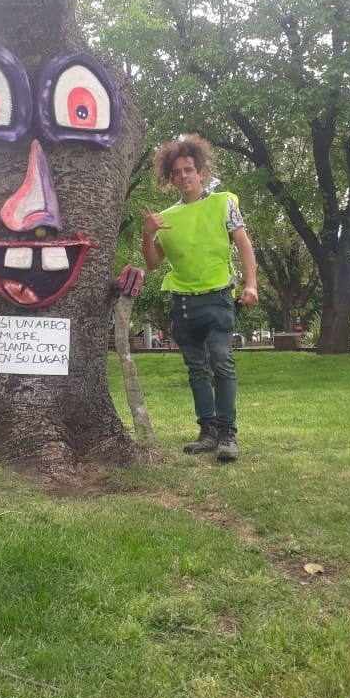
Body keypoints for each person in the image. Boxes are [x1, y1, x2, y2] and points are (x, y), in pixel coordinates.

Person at [142, 134, 258, 462]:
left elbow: (244, 245)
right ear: (170, 177)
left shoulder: (223, 203)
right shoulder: (166, 218)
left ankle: (227, 433)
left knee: (222, 361)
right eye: (176, 172)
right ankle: (207, 431)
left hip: (218, 298)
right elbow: (153, 263)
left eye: (189, 169)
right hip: (182, 304)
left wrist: (252, 284)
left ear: (201, 171)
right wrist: (147, 232)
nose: (183, 176)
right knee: (195, 368)